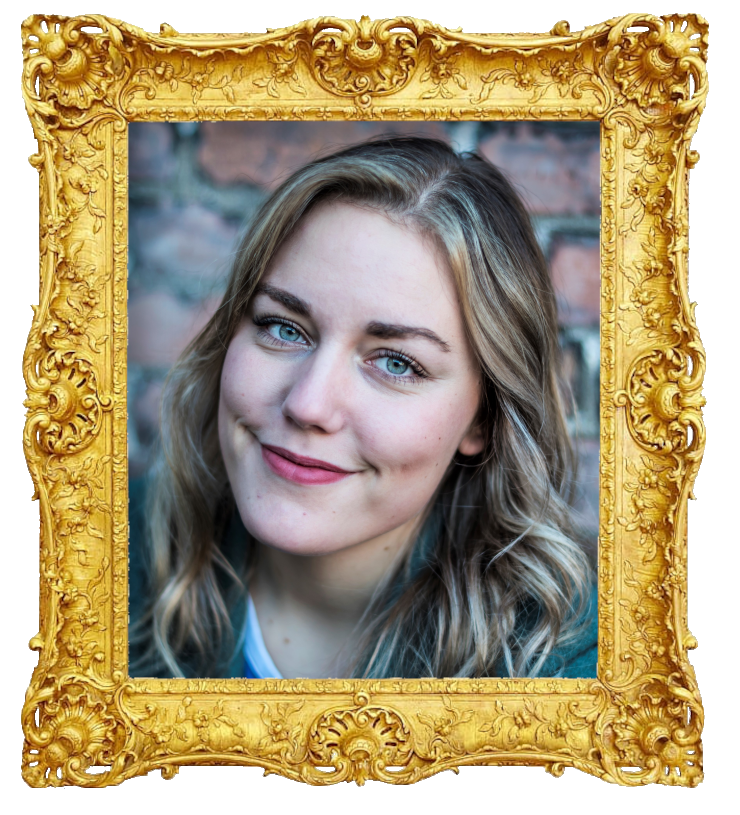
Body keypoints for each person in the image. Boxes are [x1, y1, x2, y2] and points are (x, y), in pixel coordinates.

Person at [129, 135, 598, 680]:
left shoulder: (572, 669)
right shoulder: (97, 558)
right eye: (283, 328)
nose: (309, 404)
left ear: (482, 420)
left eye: (397, 363)